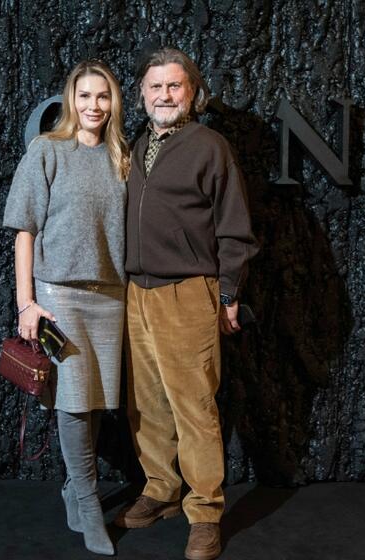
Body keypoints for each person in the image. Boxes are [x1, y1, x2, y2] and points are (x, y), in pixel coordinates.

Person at [114, 47, 258, 560]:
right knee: (147, 405)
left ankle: (205, 512)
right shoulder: (135, 145)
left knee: (194, 407)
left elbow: (234, 228)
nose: (164, 95)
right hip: (136, 292)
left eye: (174, 86)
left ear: (192, 93)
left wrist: (228, 293)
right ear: (142, 94)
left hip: (189, 291)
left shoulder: (210, 146)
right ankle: (161, 489)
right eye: (155, 86)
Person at [2, 60, 129, 556]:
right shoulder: (47, 150)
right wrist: (26, 303)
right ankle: (90, 501)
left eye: (103, 96)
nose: (94, 105)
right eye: (85, 96)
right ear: (70, 100)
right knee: (72, 400)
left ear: (113, 103)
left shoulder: (121, 156)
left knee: (95, 400)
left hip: (111, 295)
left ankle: (74, 490)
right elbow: (24, 230)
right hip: (59, 293)